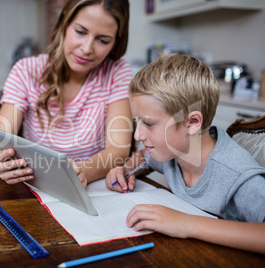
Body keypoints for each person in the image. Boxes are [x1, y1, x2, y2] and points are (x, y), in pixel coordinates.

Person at [105, 53, 265, 254]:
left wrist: (184, 223)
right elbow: (142, 158)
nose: (137, 135)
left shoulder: (236, 173)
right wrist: (126, 170)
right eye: (137, 123)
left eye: (149, 124)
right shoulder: (171, 151)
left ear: (192, 123)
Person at [0, 0, 133, 187]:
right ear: (64, 24)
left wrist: (76, 174)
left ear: (115, 43)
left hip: (92, 187)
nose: (87, 49)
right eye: (80, 32)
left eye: (102, 40)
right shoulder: (26, 70)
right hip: (37, 188)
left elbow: (118, 150)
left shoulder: (117, 72)